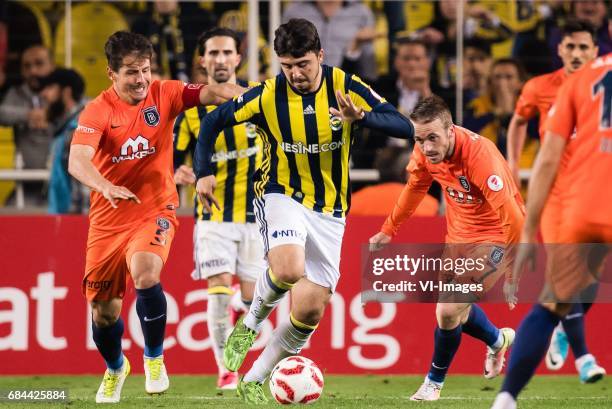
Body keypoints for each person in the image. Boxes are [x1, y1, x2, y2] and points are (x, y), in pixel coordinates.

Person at [194, 18, 413, 404]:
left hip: (330, 210)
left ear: (320, 56)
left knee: (309, 312)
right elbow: (213, 121)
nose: (295, 74)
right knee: (290, 269)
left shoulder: (344, 85)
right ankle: (250, 324)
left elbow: (404, 126)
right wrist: (204, 173)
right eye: (287, 65)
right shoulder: (266, 95)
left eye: (303, 65)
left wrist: (360, 117)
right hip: (282, 194)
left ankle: (254, 379)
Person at [67, 31, 242, 404]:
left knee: (147, 271)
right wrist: (105, 186)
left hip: (155, 208)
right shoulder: (98, 110)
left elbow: (213, 92)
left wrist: (261, 95)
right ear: (111, 73)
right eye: (131, 72)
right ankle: (116, 367)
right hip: (108, 219)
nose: (141, 79)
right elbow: (77, 161)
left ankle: (154, 358)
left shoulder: (165, 93)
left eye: (145, 70)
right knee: (103, 314)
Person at [369, 95, 525, 401]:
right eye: (420, 139)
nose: (427, 147)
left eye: (433, 138)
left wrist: (512, 273)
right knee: (452, 316)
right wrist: (388, 229)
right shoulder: (426, 150)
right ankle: (497, 340)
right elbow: (415, 187)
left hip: (495, 235)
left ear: (451, 130)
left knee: (448, 308)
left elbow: (515, 218)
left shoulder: (480, 157)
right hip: (457, 237)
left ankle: (433, 384)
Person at [491, 52, 612, 409]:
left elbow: (546, 157)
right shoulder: (549, 85)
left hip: (584, 204)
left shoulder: (578, 81)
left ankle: (506, 398)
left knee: (550, 304)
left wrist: (528, 231)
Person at [173, 27, 264, 390]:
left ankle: (240, 316)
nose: (221, 59)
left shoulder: (258, 101)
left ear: (238, 58)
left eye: (227, 52)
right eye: (213, 53)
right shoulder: (190, 114)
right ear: (202, 60)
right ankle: (226, 369)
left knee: (253, 299)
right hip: (213, 217)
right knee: (218, 286)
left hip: (258, 218)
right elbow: (168, 160)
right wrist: (177, 172)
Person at [0, 45, 54, 204]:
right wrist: (28, 115)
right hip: (27, 184)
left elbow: (83, 111)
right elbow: (2, 113)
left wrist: (52, 115)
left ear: (52, 65)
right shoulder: (16, 94)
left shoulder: (62, 91)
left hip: (60, 183)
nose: (33, 71)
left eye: (39, 64)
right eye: (27, 66)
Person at [39, 68, 88, 214]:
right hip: (67, 222)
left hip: (77, 225)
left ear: (66, 92)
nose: (43, 94)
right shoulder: (67, 129)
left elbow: (86, 189)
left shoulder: (81, 129)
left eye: (50, 87)